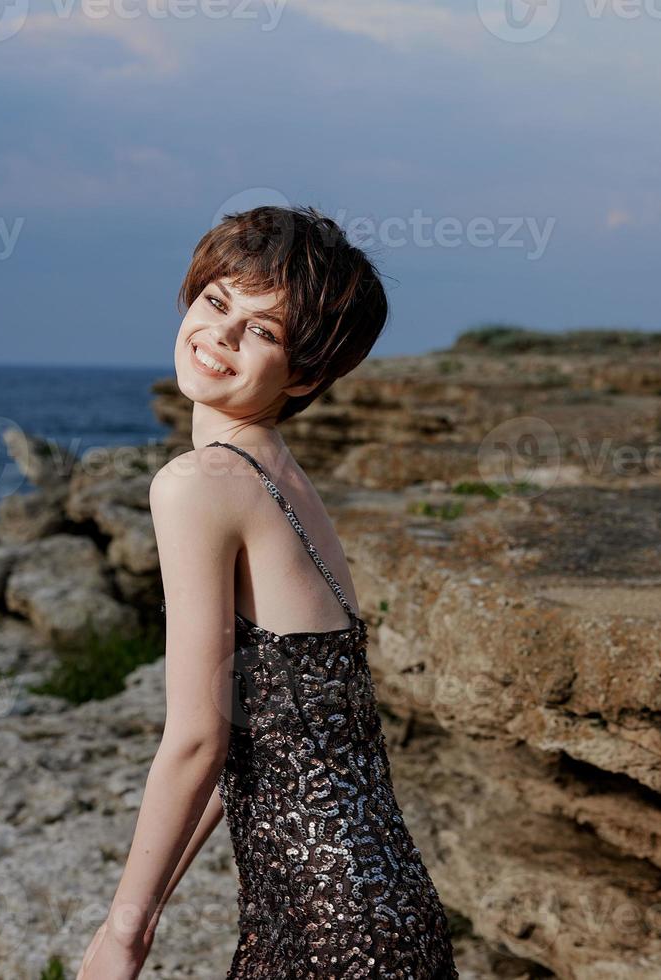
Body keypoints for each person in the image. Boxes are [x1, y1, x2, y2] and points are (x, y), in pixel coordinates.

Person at [77, 205, 458, 978]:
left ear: (308, 374)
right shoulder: (280, 476)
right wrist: (150, 909)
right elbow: (261, 732)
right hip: (379, 899)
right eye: (217, 303)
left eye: (263, 331)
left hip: (331, 920)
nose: (220, 335)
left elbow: (195, 740)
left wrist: (123, 934)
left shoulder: (200, 483)